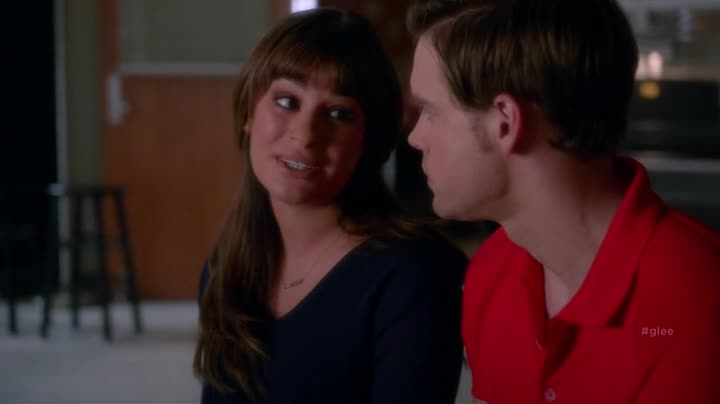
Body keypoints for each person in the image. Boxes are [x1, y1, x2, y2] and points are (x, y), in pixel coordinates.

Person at [405, 0, 720, 403]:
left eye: (430, 112)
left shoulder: (697, 306)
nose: (415, 137)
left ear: (505, 123)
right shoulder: (490, 274)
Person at [193, 8, 467, 404]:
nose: (306, 135)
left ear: (368, 141)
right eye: (287, 101)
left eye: (339, 114)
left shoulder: (413, 275)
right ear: (249, 113)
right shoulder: (226, 267)